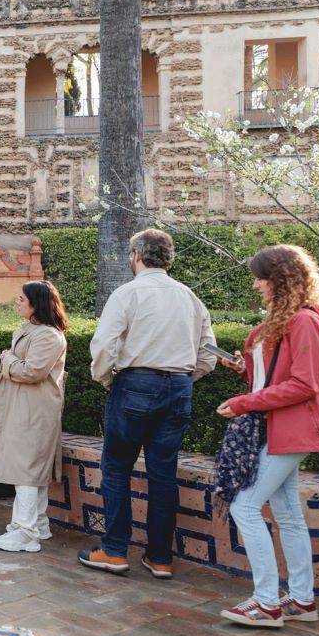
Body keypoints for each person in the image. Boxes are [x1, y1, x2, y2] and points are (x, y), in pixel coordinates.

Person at [80, 229, 217, 577]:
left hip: (135, 384)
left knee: (116, 468)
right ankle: (160, 558)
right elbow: (209, 354)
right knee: (163, 474)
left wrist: (108, 379)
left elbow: (103, 346)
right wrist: (186, 378)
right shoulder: (190, 297)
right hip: (179, 387)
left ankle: (114, 551)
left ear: (137, 256)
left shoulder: (128, 293)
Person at [215, 245, 319, 627]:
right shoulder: (292, 320)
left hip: (291, 428)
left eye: (260, 278)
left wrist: (245, 402)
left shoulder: (303, 321)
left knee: (245, 507)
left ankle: (267, 603)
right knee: (287, 515)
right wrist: (244, 370)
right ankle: (301, 600)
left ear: (279, 280)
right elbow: (281, 378)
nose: (255, 285)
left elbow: (304, 384)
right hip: (283, 427)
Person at [0, 280, 69, 552]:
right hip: (26, 407)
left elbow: (32, 371)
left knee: (27, 470)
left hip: (34, 410)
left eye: (22, 299)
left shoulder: (48, 336)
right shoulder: (35, 331)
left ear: (36, 304)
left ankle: (26, 532)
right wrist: (10, 358)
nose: (17, 303)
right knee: (31, 470)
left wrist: (7, 359)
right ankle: (38, 524)